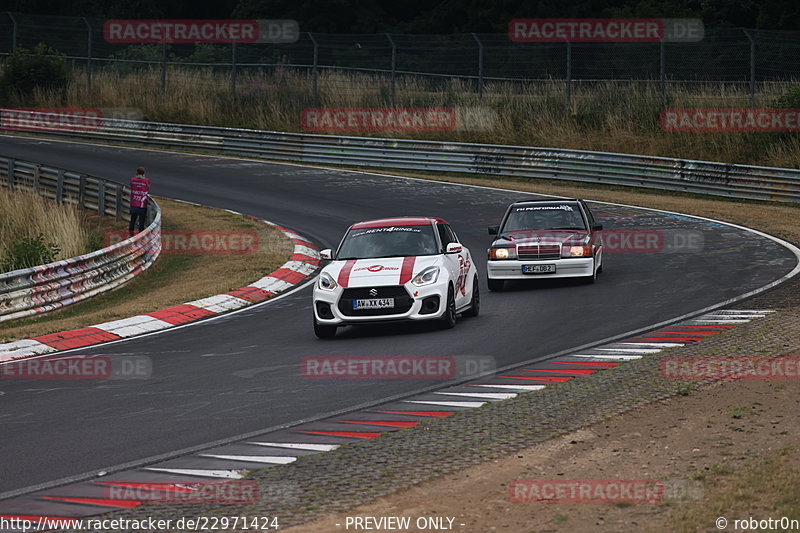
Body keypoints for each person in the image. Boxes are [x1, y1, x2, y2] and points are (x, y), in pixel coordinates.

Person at [129, 167, 150, 235]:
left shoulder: (132, 180)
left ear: (137, 173)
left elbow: (131, 185)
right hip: (142, 204)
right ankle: (140, 236)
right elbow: (148, 188)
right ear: (144, 173)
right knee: (141, 222)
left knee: (133, 220)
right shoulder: (146, 180)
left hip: (134, 202)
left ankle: (131, 235)